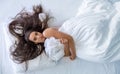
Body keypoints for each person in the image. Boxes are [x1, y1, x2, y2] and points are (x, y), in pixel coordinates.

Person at [9, 5, 76, 68]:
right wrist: (66, 44)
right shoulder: (48, 50)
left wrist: (74, 54)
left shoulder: (46, 33)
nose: (38, 36)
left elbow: (70, 38)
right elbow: (67, 54)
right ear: (35, 43)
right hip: (74, 44)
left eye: (36, 33)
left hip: (73, 31)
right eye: (35, 39)